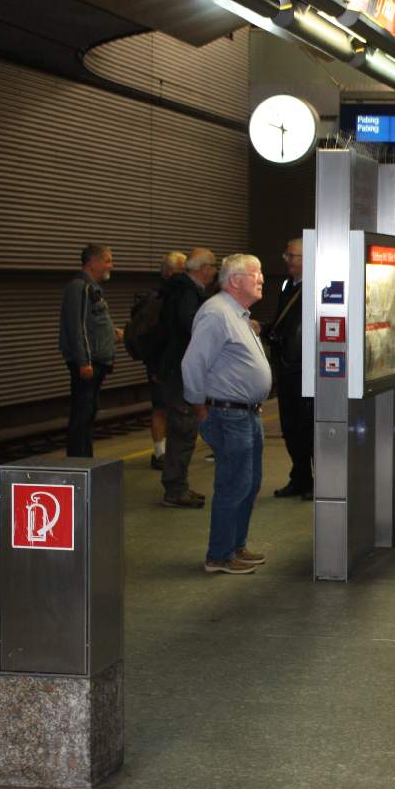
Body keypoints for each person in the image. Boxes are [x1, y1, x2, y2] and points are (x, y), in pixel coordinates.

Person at [181, 254, 272, 574]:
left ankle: (235, 546)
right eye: (255, 273)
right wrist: (200, 407)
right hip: (228, 414)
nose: (262, 279)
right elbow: (192, 364)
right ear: (235, 281)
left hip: (247, 413)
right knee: (233, 484)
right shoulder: (217, 314)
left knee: (249, 483)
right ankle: (219, 555)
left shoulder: (237, 313)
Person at [159, 248, 217, 508]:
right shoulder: (186, 293)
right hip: (181, 370)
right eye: (213, 266)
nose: (215, 272)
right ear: (203, 269)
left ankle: (178, 484)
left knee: (182, 428)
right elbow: (191, 327)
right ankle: (175, 489)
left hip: (175, 367)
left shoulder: (179, 290)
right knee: (183, 428)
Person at [59, 244, 120, 458]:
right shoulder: (80, 288)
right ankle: (78, 460)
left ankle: (86, 458)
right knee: (82, 414)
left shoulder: (91, 288)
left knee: (88, 413)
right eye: (107, 260)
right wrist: (84, 362)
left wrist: (112, 334)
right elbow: (77, 327)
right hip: (88, 364)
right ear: (93, 262)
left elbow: (92, 322)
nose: (110, 265)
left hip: (95, 362)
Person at [267, 238, 313, 500]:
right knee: (291, 426)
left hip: (304, 370)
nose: (286, 259)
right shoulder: (288, 286)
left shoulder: (318, 288)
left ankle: (313, 480)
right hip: (287, 369)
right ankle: (300, 477)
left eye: (291, 255)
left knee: (307, 425)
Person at [148, 251, 185, 470]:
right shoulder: (161, 298)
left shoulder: (171, 296)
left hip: (169, 362)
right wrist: (156, 366)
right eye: (182, 270)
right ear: (170, 272)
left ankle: (165, 452)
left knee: (169, 408)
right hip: (161, 363)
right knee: (161, 408)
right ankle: (160, 453)